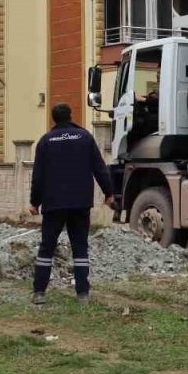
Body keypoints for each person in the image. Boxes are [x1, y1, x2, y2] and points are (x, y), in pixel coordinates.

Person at [28, 103, 115, 306]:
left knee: (47, 247)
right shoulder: (85, 138)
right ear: (70, 115)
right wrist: (109, 193)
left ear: (53, 119)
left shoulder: (46, 141)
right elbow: (100, 168)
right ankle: (82, 293)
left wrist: (34, 202)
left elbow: (38, 176)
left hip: (53, 204)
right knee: (80, 247)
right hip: (80, 203)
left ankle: (39, 292)